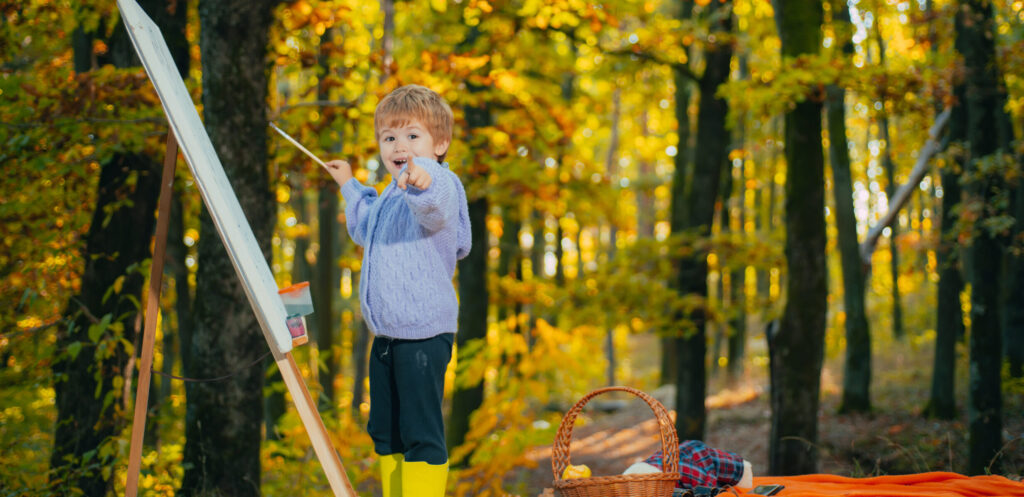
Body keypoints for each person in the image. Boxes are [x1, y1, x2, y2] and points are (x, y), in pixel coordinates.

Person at [323, 84, 471, 497]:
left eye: (412, 136)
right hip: (388, 336)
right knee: (385, 431)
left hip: (424, 334)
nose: (399, 145)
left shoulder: (440, 182)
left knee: (421, 433)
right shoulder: (390, 193)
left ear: (440, 144)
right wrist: (350, 185)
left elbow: (435, 205)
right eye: (390, 137)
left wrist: (424, 181)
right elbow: (366, 228)